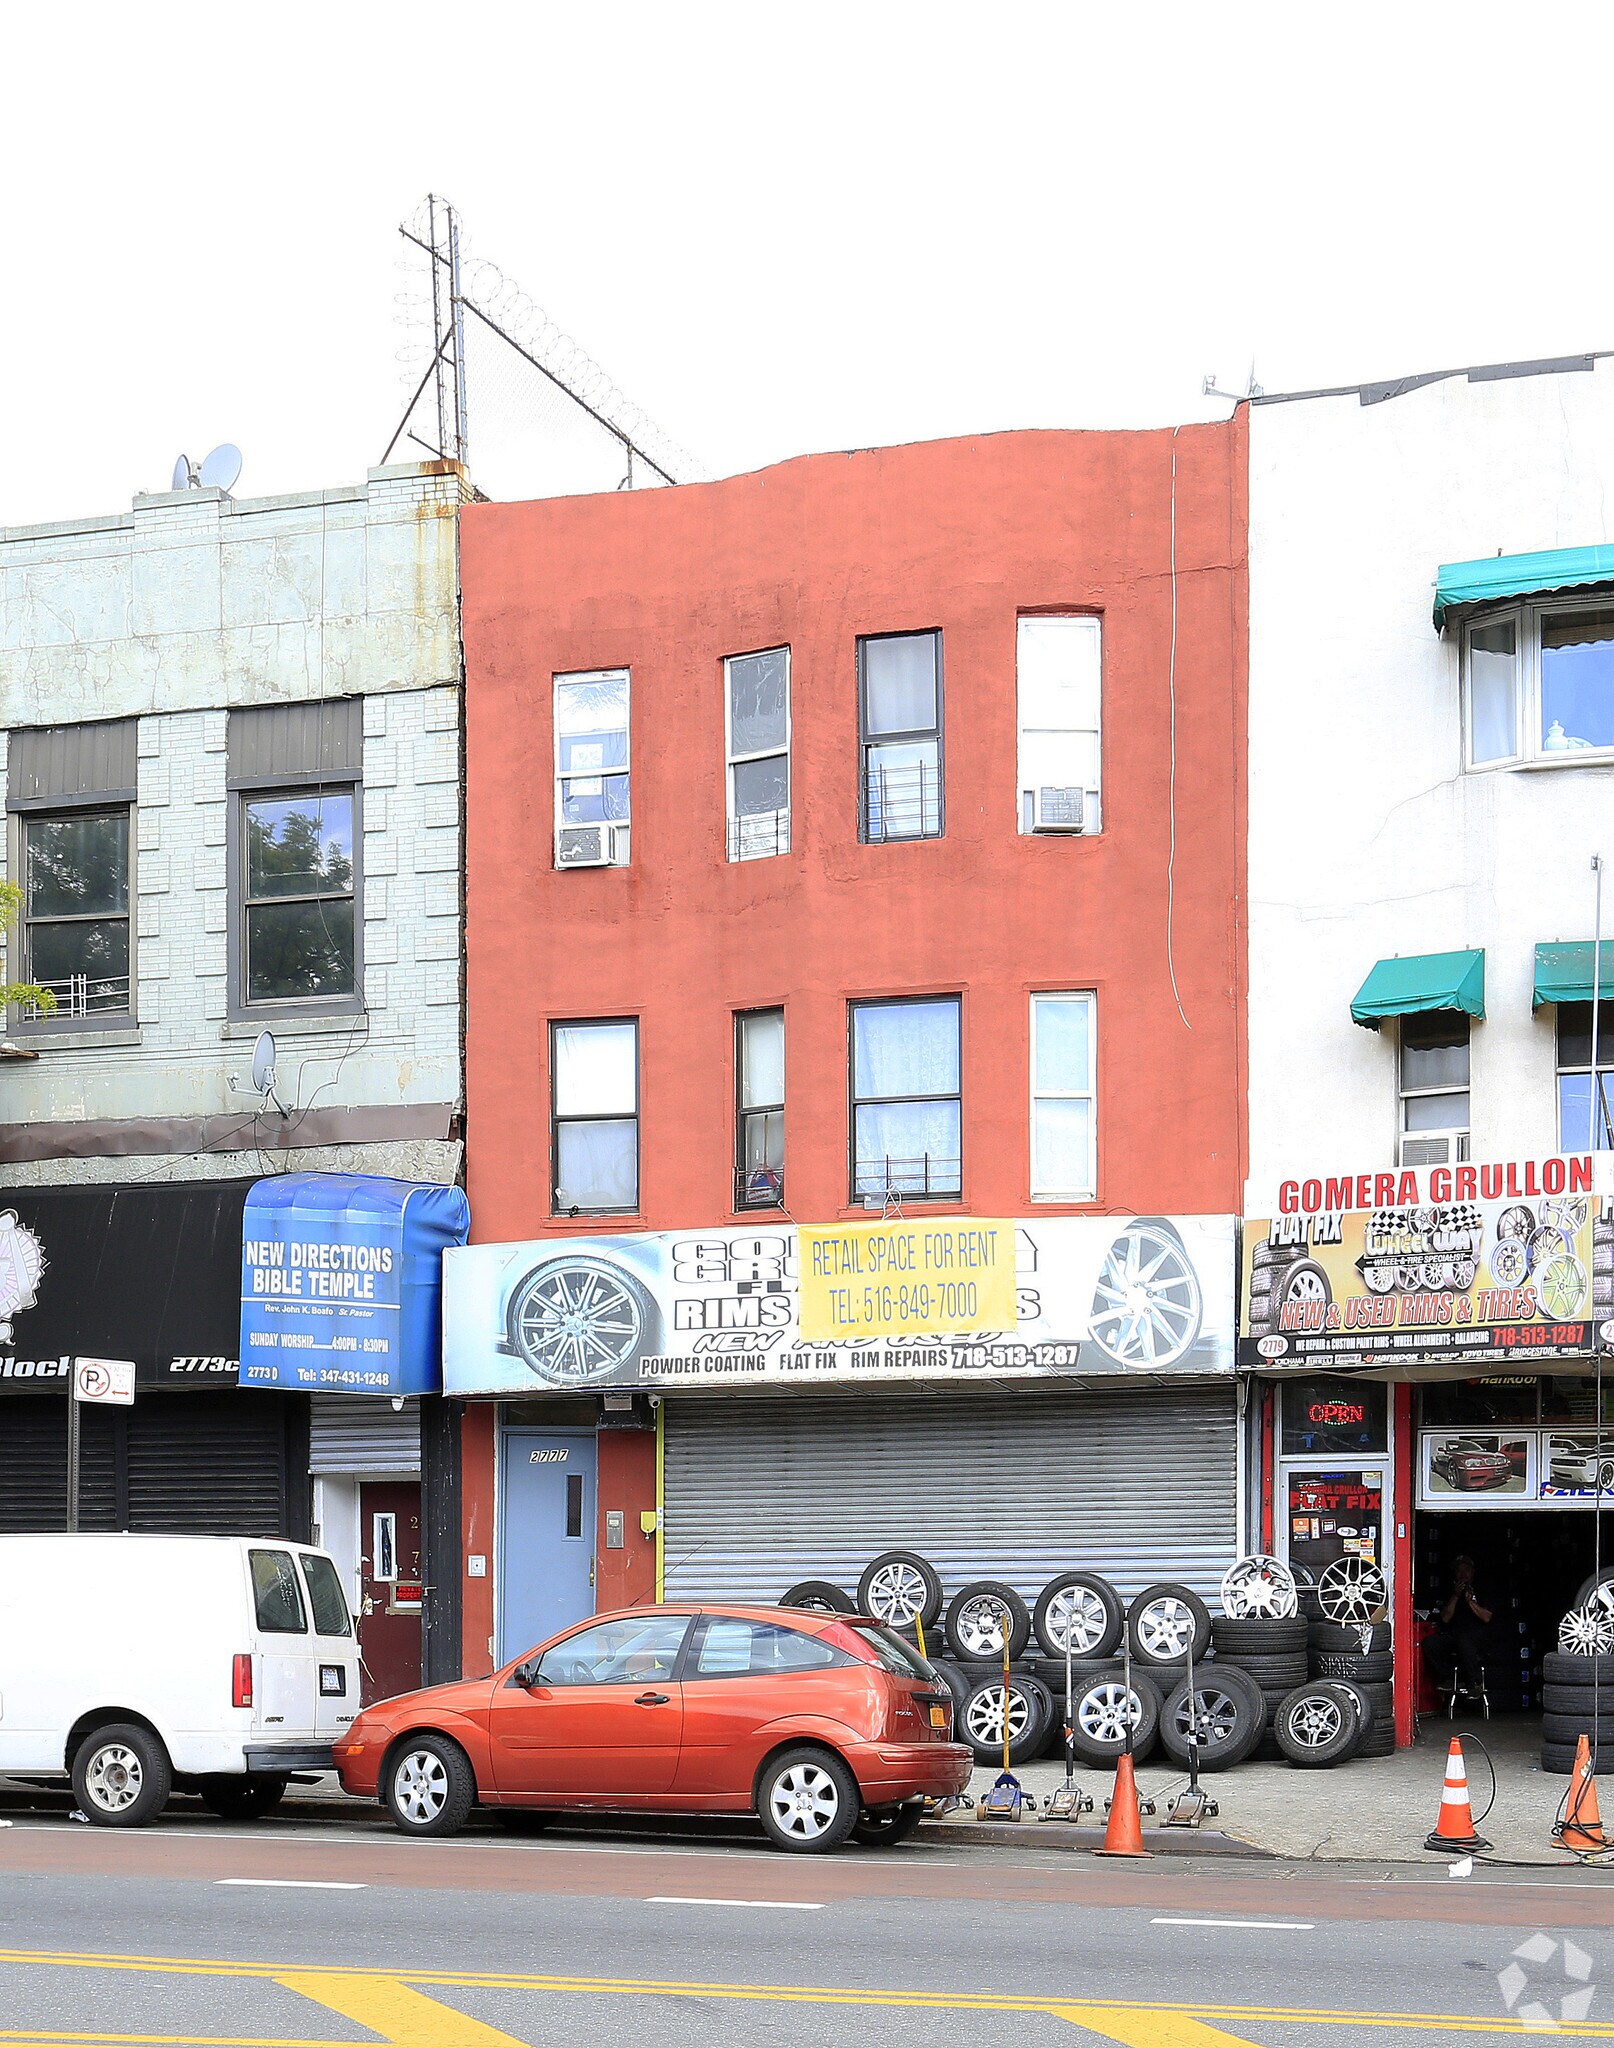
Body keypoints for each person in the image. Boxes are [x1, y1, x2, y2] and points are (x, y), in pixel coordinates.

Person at [1423, 1555, 1493, 1699]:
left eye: (1466, 1570)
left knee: (1465, 1641)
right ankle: (1447, 1678)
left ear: (1473, 1571)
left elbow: (1487, 1617)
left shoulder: (1482, 1589)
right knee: (1430, 1643)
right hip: (1455, 1635)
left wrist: (1470, 1602)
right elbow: (1445, 1618)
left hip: (1478, 1637)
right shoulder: (1450, 1591)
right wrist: (1456, 1596)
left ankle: (1474, 1683)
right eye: (1459, 1571)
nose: (1463, 1574)